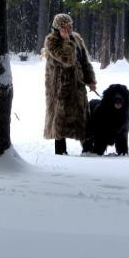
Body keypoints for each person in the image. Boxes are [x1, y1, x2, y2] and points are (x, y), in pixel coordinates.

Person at [43, 13, 97, 155]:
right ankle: (60, 152)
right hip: (60, 87)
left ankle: (87, 149)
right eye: (66, 26)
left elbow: (84, 61)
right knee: (60, 118)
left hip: (78, 85)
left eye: (70, 25)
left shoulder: (77, 39)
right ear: (59, 28)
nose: (69, 28)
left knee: (83, 116)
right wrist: (66, 41)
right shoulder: (52, 41)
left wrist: (90, 80)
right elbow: (67, 59)